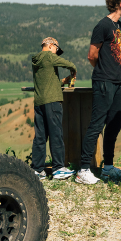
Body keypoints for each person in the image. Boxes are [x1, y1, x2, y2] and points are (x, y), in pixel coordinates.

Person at [76, 0, 121, 185]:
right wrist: (104, 69)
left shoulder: (119, 25)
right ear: (118, 4)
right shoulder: (103, 25)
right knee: (97, 123)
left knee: (114, 123)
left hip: (118, 81)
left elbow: (113, 50)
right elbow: (92, 55)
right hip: (104, 81)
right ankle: (83, 169)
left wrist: (119, 58)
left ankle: (108, 167)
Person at [31, 37, 77, 180]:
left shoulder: (37, 60)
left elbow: (49, 81)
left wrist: (64, 81)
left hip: (39, 102)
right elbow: (70, 64)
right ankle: (58, 168)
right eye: (57, 50)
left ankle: (37, 170)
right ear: (51, 46)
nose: (56, 53)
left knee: (40, 137)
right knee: (56, 134)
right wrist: (73, 72)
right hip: (53, 102)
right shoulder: (50, 57)